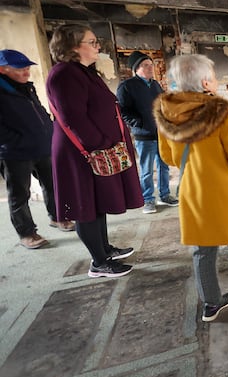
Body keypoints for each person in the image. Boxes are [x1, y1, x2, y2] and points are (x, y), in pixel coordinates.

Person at [153, 54, 228, 322]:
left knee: (203, 251)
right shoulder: (219, 112)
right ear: (206, 82)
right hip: (224, 191)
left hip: (192, 190)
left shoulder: (166, 112)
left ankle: (211, 304)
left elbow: (168, 157)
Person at [47, 24, 141, 278]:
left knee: (97, 204)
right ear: (72, 47)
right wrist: (101, 143)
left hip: (96, 150)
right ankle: (98, 262)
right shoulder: (64, 75)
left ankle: (104, 249)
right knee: (84, 206)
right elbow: (73, 118)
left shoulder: (84, 72)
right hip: (82, 154)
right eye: (91, 41)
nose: (97, 45)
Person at [0, 49, 75, 249]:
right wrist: (18, 141)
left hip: (42, 147)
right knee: (19, 195)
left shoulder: (27, 88)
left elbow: (39, 112)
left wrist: (49, 131)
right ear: (2, 69)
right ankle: (27, 233)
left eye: (27, 68)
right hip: (15, 153)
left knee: (53, 185)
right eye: (20, 69)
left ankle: (58, 217)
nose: (26, 72)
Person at [116, 51, 178, 214]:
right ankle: (148, 199)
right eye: (145, 65)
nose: (150, 68)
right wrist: (139, 123)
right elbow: (123, 111)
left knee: (164, 166)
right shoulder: (127, 86)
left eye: (151, 65)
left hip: (161, 134)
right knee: (147, 169)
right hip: (144, 136)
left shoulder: (155, 85)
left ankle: (165, 195)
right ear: (136, 68)